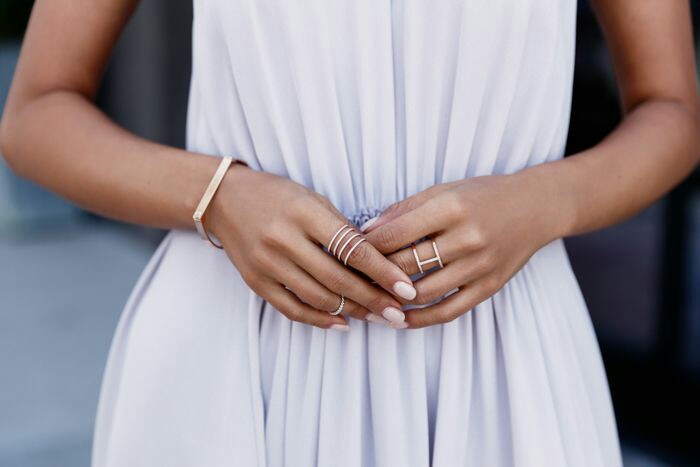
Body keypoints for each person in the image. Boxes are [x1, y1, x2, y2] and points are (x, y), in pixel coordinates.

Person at [1, 0, 698, 466]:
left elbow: (672, 111)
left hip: (502, 363)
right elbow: (36, 111)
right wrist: (219, 195)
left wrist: (547, 201)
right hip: (237, 357)